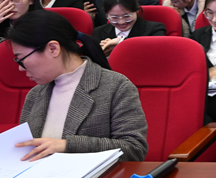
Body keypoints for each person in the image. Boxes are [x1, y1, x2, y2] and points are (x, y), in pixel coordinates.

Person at [8, 11, 148, 162]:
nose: (20, 68)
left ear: (53, 48)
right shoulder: (36, 94)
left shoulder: (116, 87)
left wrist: (67, 145)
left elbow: (134, 149)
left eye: (21, 59)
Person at [91, 0, 166, 57]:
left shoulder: (155, 29)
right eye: (114, 17)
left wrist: (120, 42)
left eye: (127, 16)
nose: (121, 22)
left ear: (137, 10)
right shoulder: (98, 32)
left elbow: (156, 54)